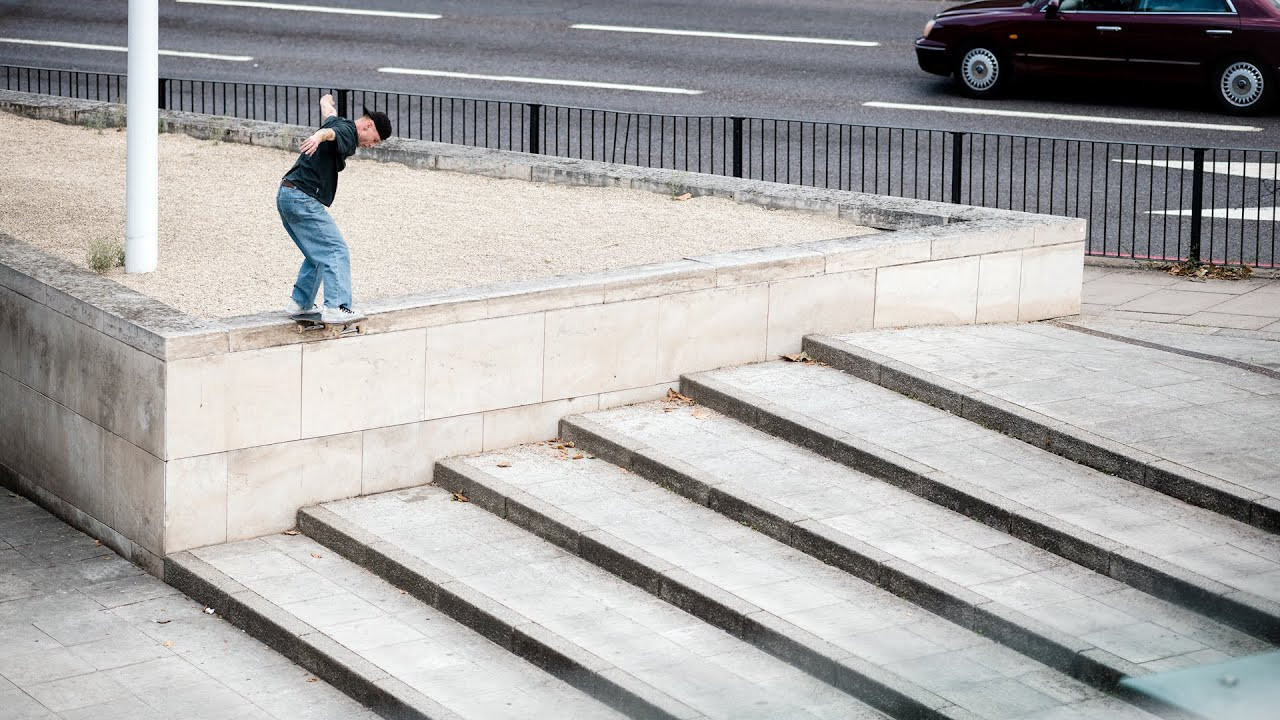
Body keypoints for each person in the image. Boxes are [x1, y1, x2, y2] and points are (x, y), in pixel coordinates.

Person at [277, 94, 392, 325]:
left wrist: (324, 103)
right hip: (302, 198)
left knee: (318, 253)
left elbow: (330, 118)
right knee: (336, 250)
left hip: (287, 194)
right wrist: (318, 136)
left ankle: (299, 303)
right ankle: (337, 306)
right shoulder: (348, 132)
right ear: (368, 126)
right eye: (375, 140)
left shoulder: (340, 122)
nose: (371, 145)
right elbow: (331, 134)